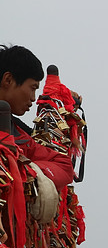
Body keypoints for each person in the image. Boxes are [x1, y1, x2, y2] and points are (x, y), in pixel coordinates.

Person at [0, 45, 75, 188]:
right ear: (8, 80)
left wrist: (23, 171)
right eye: (33, 88)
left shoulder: (19, 134)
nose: (34, 98)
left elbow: (64, 165)